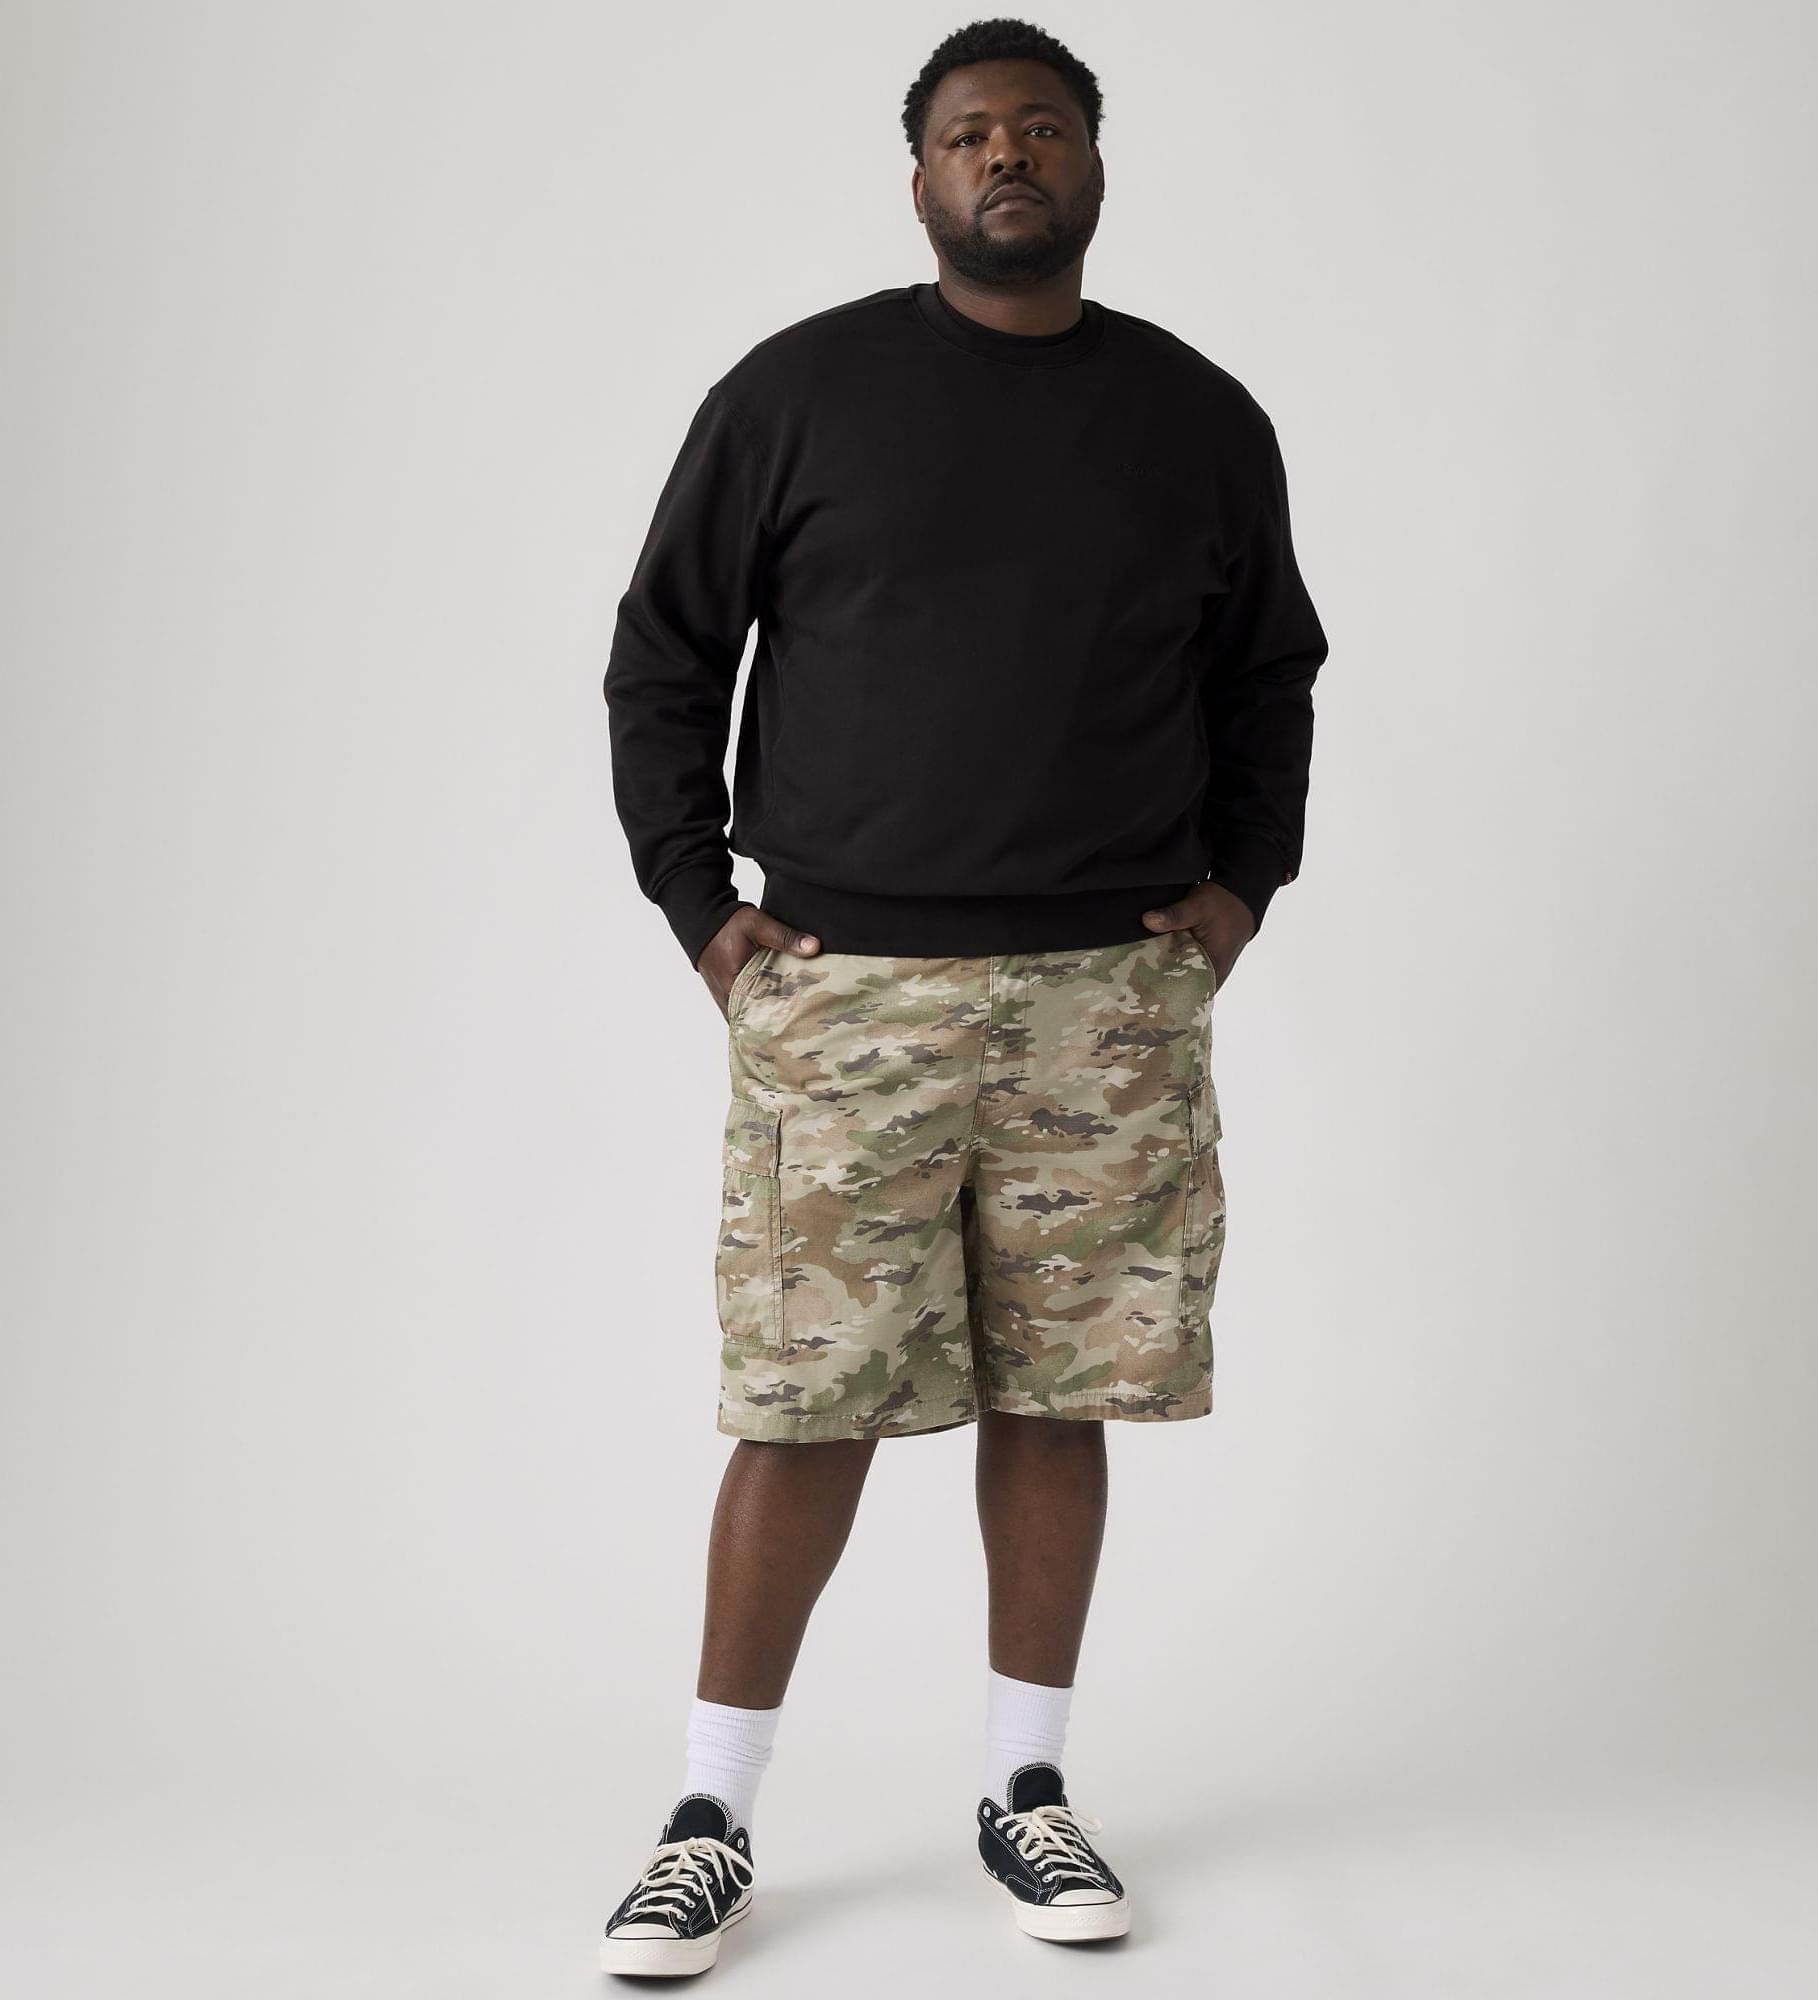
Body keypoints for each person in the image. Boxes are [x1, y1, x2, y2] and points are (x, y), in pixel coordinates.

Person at [597, 15, 1329, 1977]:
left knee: (1060, 1393)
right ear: (920, 177)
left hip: (1108, 999)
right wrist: (701, 907)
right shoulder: (797, 395)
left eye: (1042, 128)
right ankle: (708, 1817)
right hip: (850, 993)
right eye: (969, 133)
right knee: (804, 1402)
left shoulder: (1194, 417)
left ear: (1094, 163)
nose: (1007, 155)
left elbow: (1270, 672)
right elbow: (663, 657)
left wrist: (1238, 894)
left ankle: (1026, 1788)